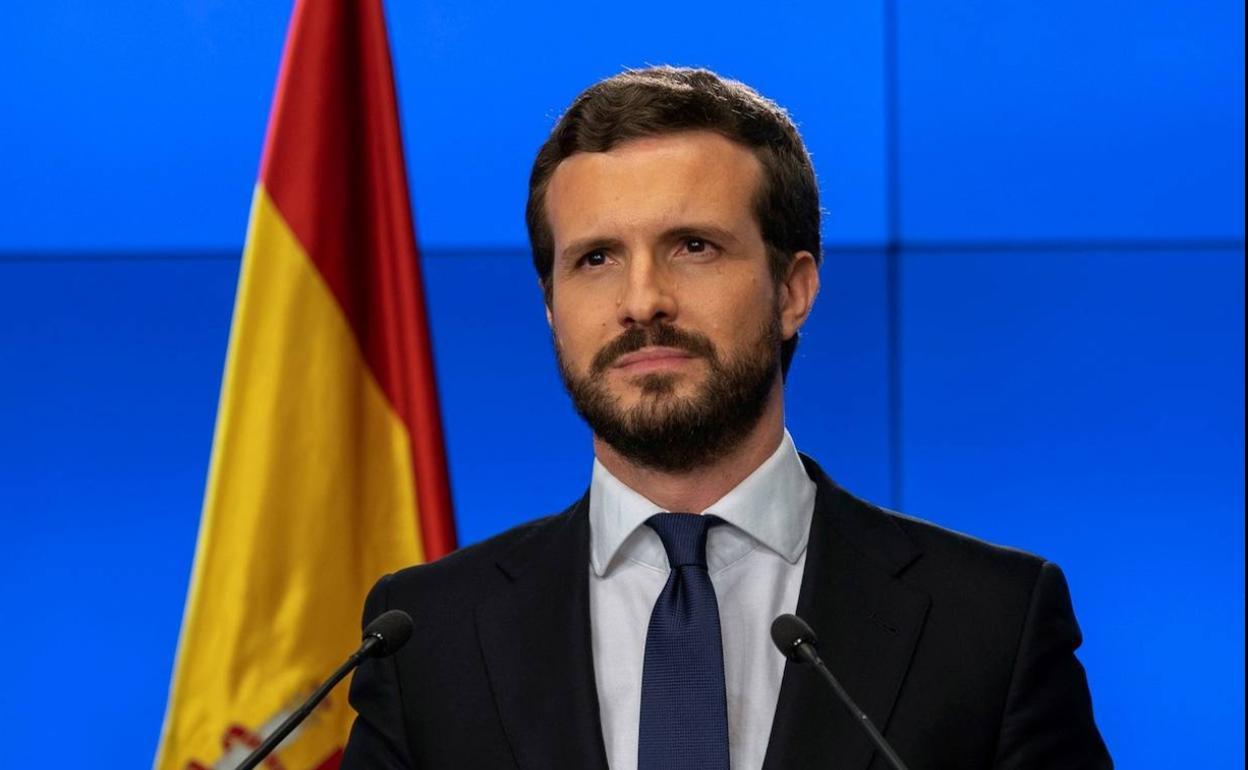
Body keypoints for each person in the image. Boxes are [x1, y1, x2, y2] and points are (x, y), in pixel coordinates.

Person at [340, 66, 1112, 770]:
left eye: (693, 247)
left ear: (793, 291)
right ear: (551, 308)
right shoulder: (423, 635)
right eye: (596, 259)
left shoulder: (990, 623)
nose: (642, 300)